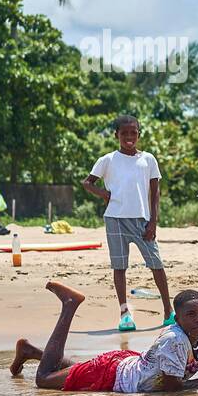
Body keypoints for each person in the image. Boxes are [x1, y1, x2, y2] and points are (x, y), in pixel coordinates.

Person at [11, 282, 198, 392]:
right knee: (44, 380)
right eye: (191, 314)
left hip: (127, 364)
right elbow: (172, 389)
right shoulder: (174, 340)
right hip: (115, 377)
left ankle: (31, 352)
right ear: (177, 320)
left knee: (72, 370)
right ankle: (69, 305)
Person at [81, 114, 174, 330]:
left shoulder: (148, 159)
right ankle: (124, 314)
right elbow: (87, 182)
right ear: (117, 135)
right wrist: (104, 194)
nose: (129, 137)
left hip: (142, 220)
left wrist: (153, 222)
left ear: (139, 134)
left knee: (156, 264)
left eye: (133, 133)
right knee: (120, 267)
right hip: (115, 219)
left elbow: (155, 192)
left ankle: (168, 311)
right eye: (124, 133)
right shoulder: (108, 160)